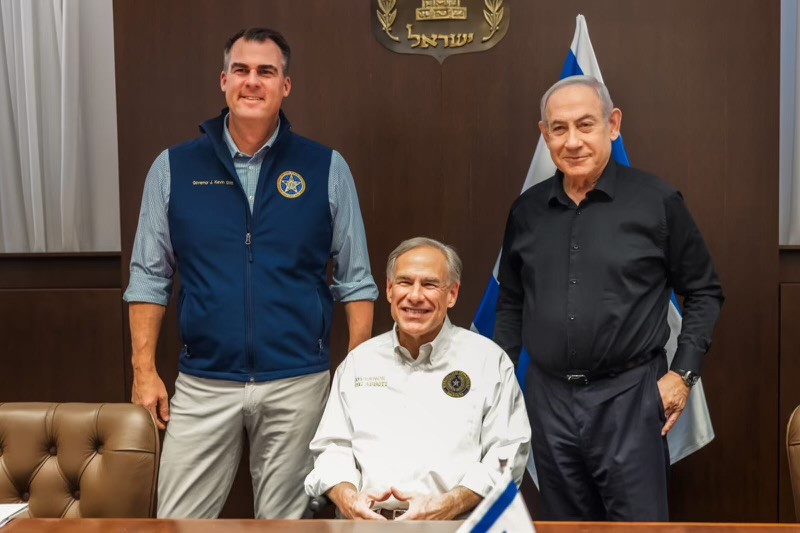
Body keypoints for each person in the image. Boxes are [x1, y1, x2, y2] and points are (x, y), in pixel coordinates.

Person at [123, 28, 378, 519]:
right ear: (223, 81)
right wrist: (143, 370)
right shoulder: (173, 167)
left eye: (267, 71)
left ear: (286, 86)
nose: (252, 81)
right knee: (176, 523)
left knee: (288, 525)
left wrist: (353, 377)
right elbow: (148, 278)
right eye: (241, 70)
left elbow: (356, 279)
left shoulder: (326, 167)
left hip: (298, 384)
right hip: (202, 382)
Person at [494, 75, 724, 521]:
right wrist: (498, 387)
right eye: (559, 129)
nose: (573, 141)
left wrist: (683, 375)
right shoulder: (526, 212)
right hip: (548, 399)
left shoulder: (657, 202)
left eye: (586, 124)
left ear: (613, 125)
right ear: (544, 135)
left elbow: (704, 290)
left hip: (631, 397)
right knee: (564, 526)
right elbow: (511, 305)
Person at [304, 237, 531, 520]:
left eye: (430, 284)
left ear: (452, 294)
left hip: (455, 524)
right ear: (388, 289)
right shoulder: (358, 363)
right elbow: (332, 448)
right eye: (404, 282)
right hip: (367, 525)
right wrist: (348, 498)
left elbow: (507, 456)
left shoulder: (489, 362)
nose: (414, 296)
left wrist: (447, 505)